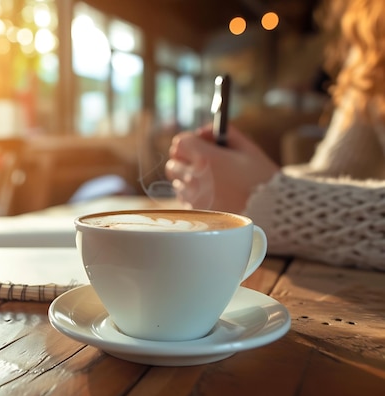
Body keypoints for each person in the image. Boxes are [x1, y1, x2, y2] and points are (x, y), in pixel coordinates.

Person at [164, 0, 385, 271]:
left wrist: (271, 198)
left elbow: (289, 195)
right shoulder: (372, 37)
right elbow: (333, 172)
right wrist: (249, 178)